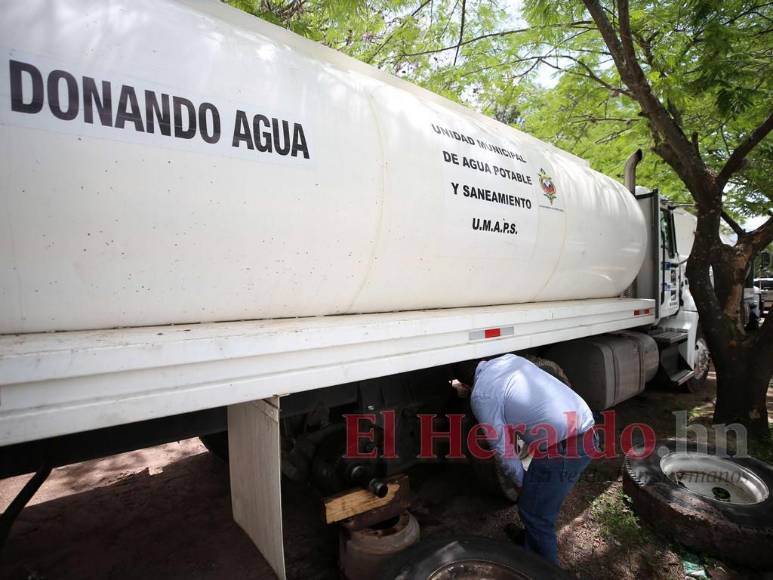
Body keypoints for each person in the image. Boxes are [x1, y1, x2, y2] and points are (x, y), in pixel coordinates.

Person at [453, 353, 596, 565]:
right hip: (587, 430)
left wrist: (520, 483)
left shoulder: (481, 395)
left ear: (465, 383)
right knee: (534, 502)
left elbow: (503, 450)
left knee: (535, 513)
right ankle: (530, 547)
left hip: (566, 448)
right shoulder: (510, 359)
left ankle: (547, 572)